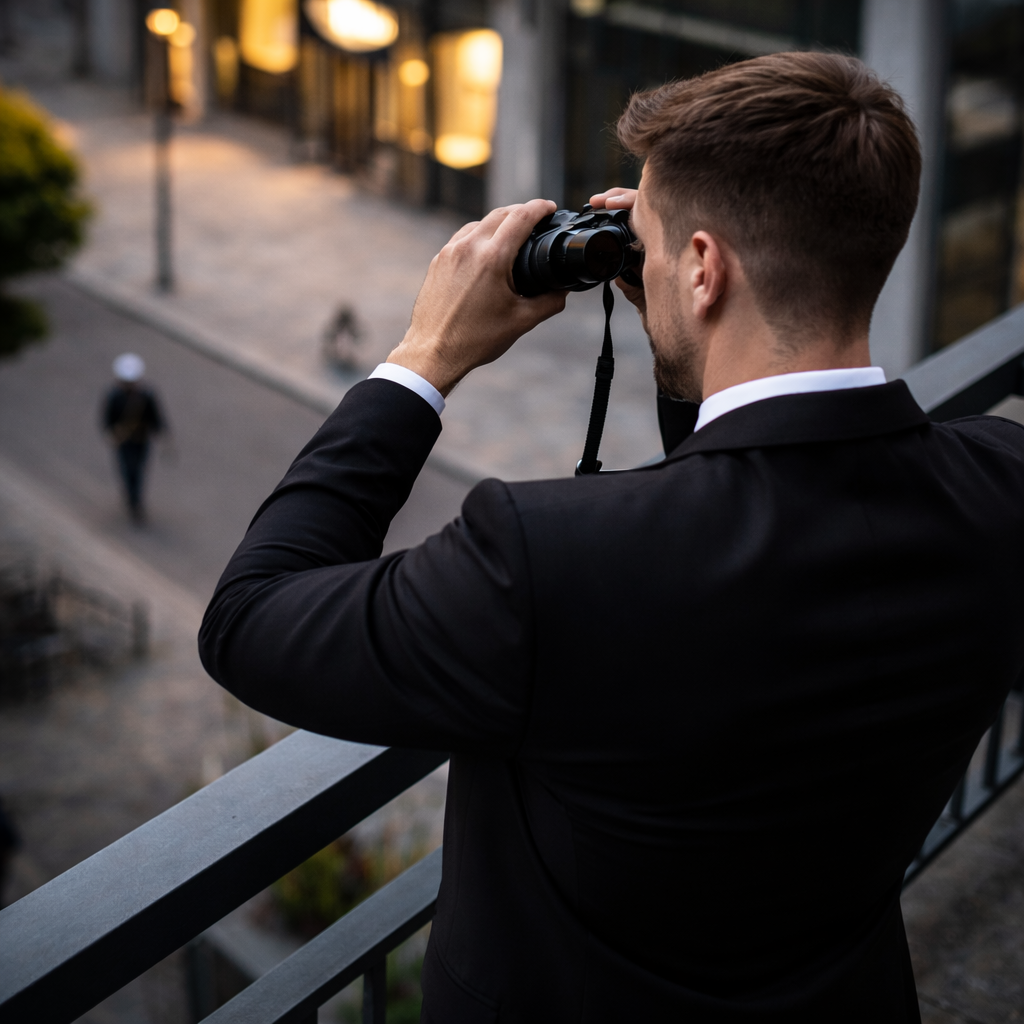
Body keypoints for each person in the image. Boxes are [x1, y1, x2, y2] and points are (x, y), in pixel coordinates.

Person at [199, 53, 1024, 1022]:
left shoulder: (543, 560)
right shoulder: (999, 483)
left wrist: (422, 358)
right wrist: (690, 336)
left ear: (705, 268)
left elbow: (250, 620)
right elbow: (757, 507)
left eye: (653, 239)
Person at [101, 353, 165, 522]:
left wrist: (163, 435)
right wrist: (110, 433)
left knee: (139, 469)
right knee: (128, 470)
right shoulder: (115, 397)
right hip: (124, 441)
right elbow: (107, 419)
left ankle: (135, 499)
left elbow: (156, 417)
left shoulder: (146, 396)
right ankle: (133, 499)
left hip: (141, 439)